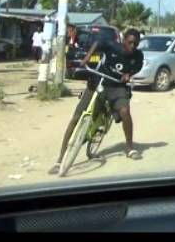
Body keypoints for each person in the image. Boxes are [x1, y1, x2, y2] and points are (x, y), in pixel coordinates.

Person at [50, 27, 145, 173]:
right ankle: (60, 159)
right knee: (76, 117)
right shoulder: (113, 46)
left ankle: (129, 147)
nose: (132, 46)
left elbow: (137, 67)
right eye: (130, 42)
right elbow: (99, 42)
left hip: (117, 86)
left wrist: (129, 74)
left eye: (135, 44)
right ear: (124, 40)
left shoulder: (138, 56)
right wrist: (87, 57)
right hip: (97, 81)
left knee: (125, 111)